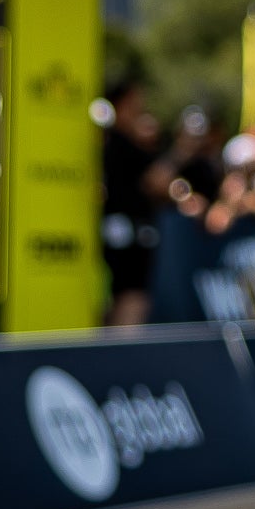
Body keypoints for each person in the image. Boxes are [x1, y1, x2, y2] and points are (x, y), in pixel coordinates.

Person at [99, 76, 175, 324]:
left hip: (123, 232)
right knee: (131, 295)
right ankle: (121, 356)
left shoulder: (113, 142)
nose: (141, 108)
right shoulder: (122, 143)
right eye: (135, 102)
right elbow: (160, 182)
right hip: (128, 234)